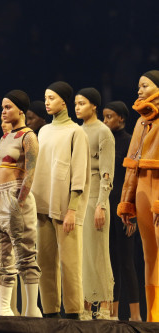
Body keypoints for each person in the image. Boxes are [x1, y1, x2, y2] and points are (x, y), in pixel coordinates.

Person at [31, 81, 91, 320]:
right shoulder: (44, 131)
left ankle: (74, 313)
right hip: (42, 204)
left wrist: (72, 210)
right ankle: (50, 312)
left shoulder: (76, 132)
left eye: (51, 98)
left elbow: (79, 174)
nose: (47, 102)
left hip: (66, 207)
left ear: (64, 101)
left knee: (70, 263)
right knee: (44, 262)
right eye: (45, 98)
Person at [0, 89, 42, 317]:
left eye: (8, 107)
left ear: (21, 110)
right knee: (0, 253)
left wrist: (19, 200)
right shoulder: (5, 136)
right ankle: (5, 308)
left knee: (24, 251)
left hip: (15, 195)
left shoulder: (28, 136)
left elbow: (31, 171)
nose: (4, 111)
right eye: (2, 107)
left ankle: (30, 308)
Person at [118, 70, 159, 322]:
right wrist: (127, 202)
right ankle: (154, 317)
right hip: (142, 187)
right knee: (149, 254)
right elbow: (132, 164)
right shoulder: (141, 121)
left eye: (144, 86)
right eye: (138, 86)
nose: (139, 90)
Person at [75, 88, 115, 319]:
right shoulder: (78, 131)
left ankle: (106, 304)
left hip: (96, 199)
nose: (78, 107)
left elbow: (107, 172)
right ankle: (86, 304)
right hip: (80, 198)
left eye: (82, 103)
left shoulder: (103, 132)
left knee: (98, 253)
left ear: (94, 107)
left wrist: (101, 204)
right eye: (76, 104)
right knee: (82, 254)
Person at [103, 101, 142, 321]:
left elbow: (132, 180)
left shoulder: (130, 142)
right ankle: (113, 313)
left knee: (127, 260)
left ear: (122, 119)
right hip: (105, 207)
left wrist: (132, 213)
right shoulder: (105, 142)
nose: (105, 121)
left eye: (109, 117)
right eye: (104, 117)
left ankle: (136, 314)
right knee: (110, 262)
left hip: (123, 209)